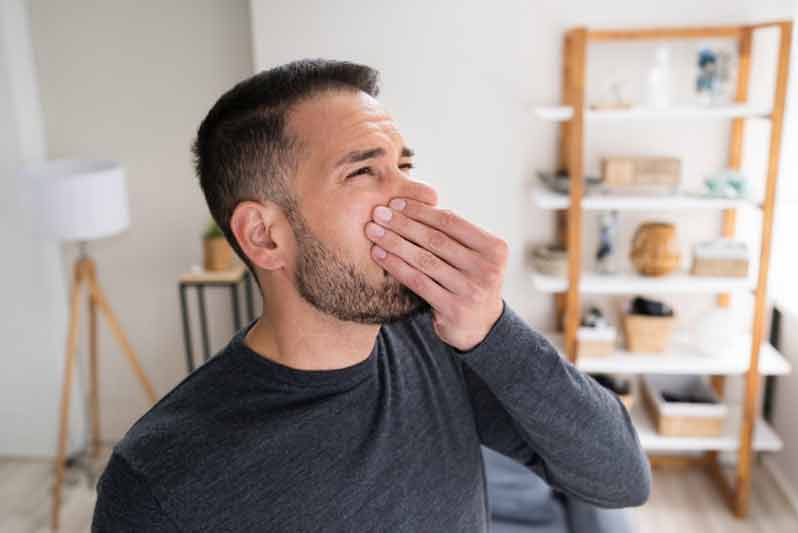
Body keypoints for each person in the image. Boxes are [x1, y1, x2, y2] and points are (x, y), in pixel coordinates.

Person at [91, 58, 650, 532]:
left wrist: (493, 328)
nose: (420, 192)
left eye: (403, 164)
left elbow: (620, 477)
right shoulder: (160, 480)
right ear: (264, 236)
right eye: (364, 172)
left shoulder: (437, 341)